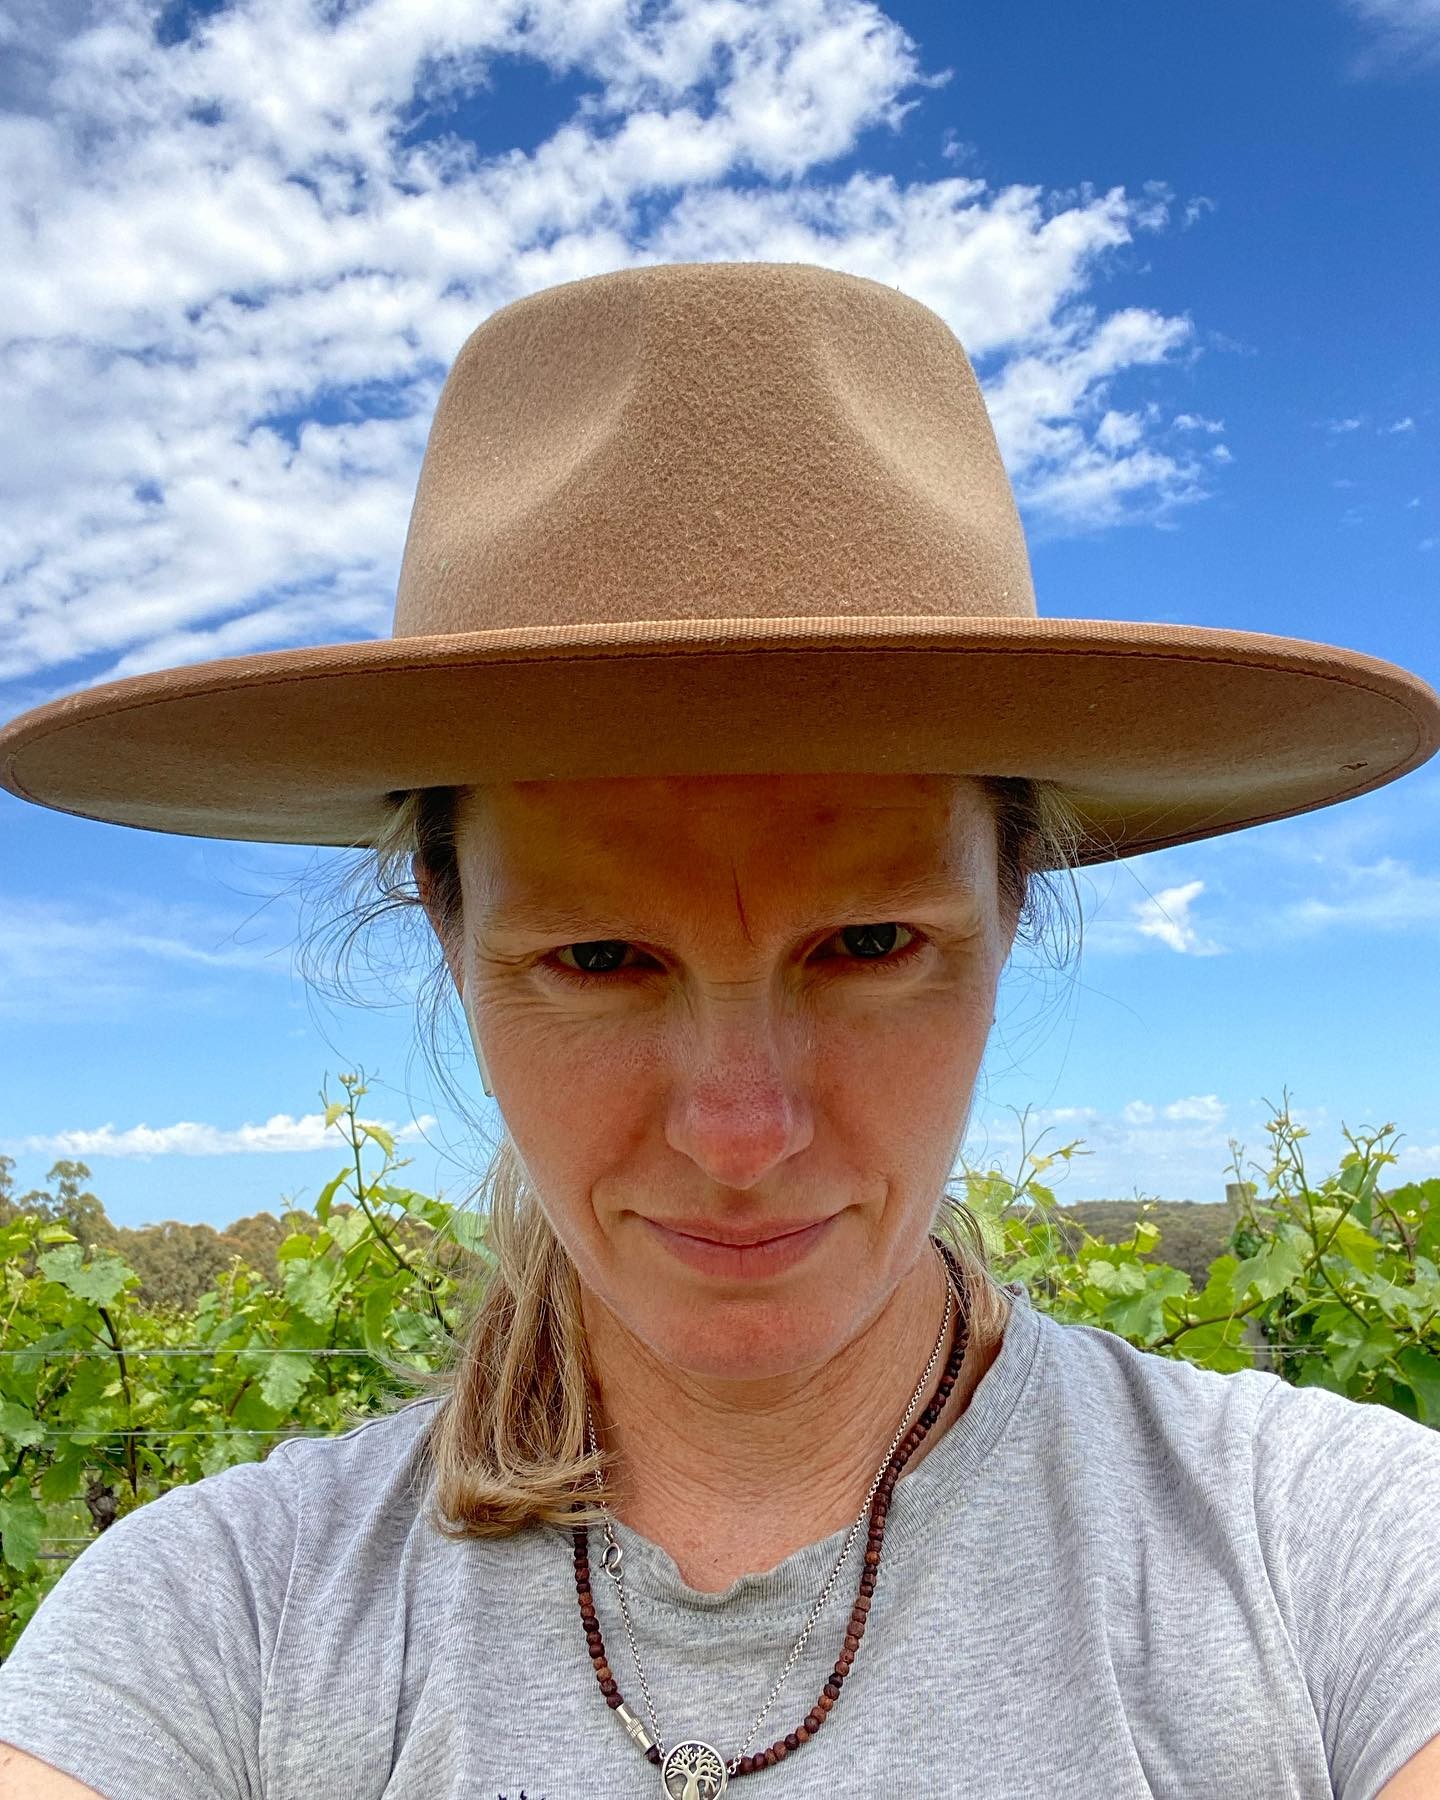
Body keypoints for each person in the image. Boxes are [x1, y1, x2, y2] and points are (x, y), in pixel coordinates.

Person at [0, 261, 1437, 1800]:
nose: (741, 1133)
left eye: (870, 942)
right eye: (603, 956)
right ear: (444, 923)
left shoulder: (1332, 1555)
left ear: (1015, 903)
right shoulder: (212, 1629)